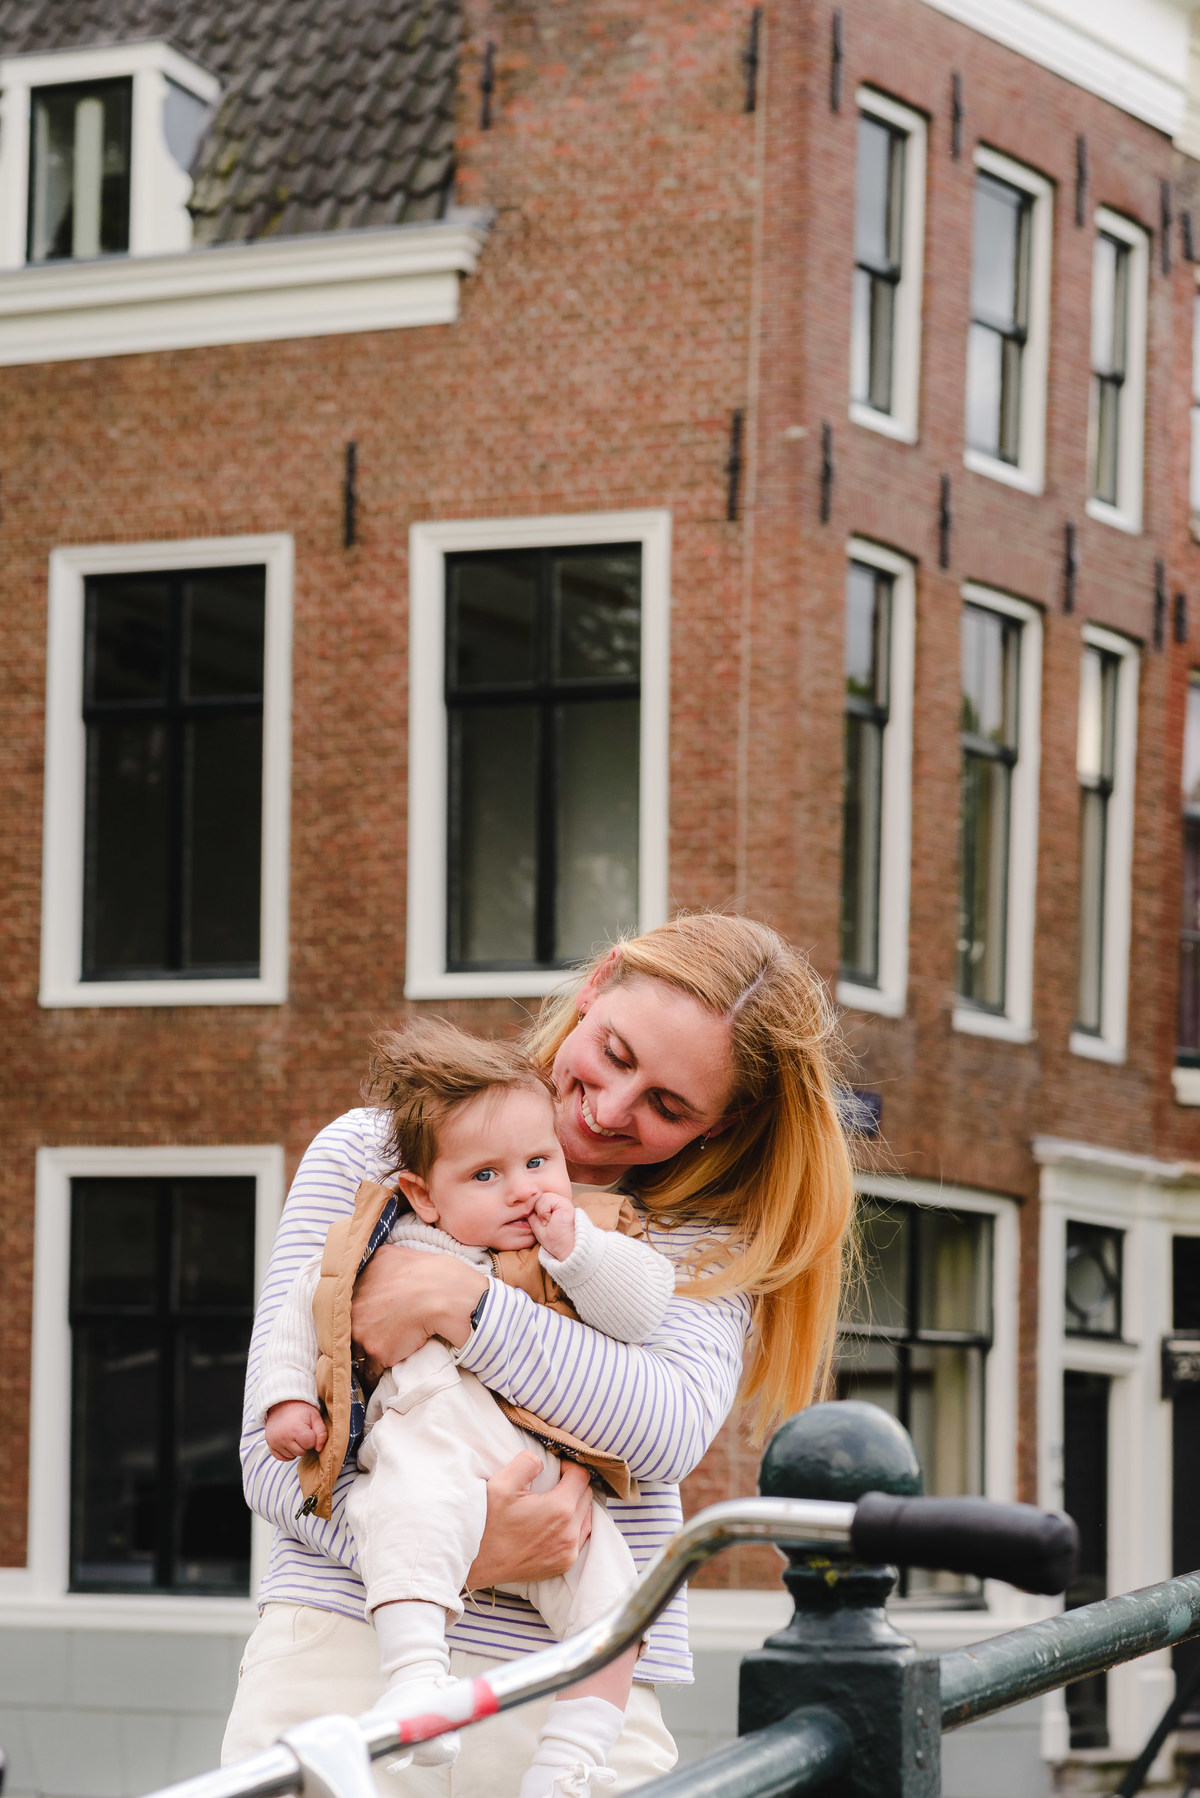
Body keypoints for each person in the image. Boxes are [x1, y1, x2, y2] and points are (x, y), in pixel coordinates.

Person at [223, 912, 855, 1798]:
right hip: (349, 1652)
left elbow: (664, 1429)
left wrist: (459, 1302)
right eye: (616, 1054)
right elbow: (272, 1458)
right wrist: (455, 1552)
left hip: (577, 1686)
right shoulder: (374, 1151)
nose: (611, 1110)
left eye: (668, 1107)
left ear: (726, 1122)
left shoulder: (699, 1237)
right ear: (595, 986)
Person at [255, 1019, 678, 1798]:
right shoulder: (385, 1239)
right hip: (427, 1441)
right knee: (407, 1518)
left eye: (538, 1163)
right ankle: (417, 1680)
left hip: (547, 1475)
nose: (522, 1189)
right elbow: (306, 1312)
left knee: (620, 1606)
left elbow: (645, 1310)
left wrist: (577, 1250)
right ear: (425, 1194)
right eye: (486, 1175)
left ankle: (571, 1759)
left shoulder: (582, 1238)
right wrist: (286, 1399)